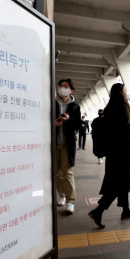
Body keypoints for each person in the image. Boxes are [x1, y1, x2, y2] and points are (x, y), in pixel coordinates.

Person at [88, 83, 130, 229]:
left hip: (114, 149)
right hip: (124, 150)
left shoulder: (110, 107)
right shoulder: (122, 106)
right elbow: (126, 128)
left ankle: (125, 209)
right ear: (120, 92)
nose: (127, 93)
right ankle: (98, 211)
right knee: (120, 182)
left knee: (122, 181)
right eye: (126, 90)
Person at [55, 79, 81, 215]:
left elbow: (78, 124)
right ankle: (62, 196)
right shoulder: (52, 103)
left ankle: (71, 201)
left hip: (67, 144)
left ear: (71, 90)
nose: (62, 89)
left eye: (65, 87)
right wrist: (53, 123)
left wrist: (69, 120)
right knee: (57, 173)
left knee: (67, 172)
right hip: (54, 143)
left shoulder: (75, 106)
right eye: (61, 86)